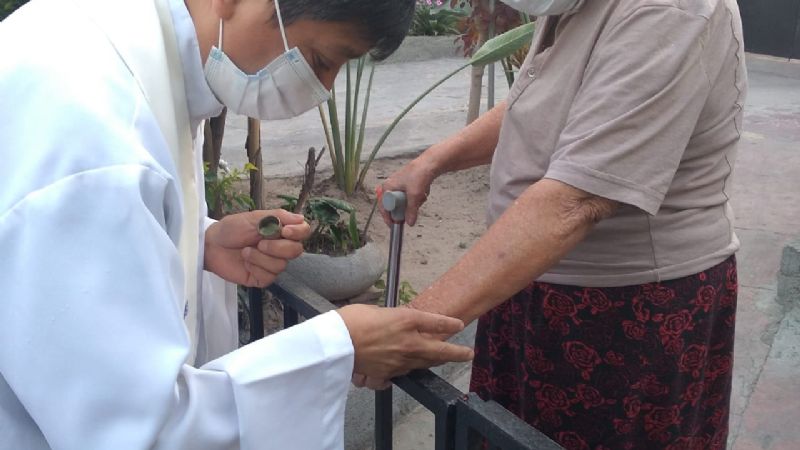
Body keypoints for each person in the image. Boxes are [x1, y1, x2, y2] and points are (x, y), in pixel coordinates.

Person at [0, 0, 474, 448]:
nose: (324, 89)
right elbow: (131, 430)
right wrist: (337, 348)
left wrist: (199, 240)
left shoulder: (128, 47)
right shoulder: (94, 130)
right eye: (321, 58)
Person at [379, 0, 747, 448]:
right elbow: (543, 101)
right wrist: (434, 160)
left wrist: (407, 328)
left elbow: (576, 199)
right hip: (530, 270)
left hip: (625, 307)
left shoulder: (669, 9)